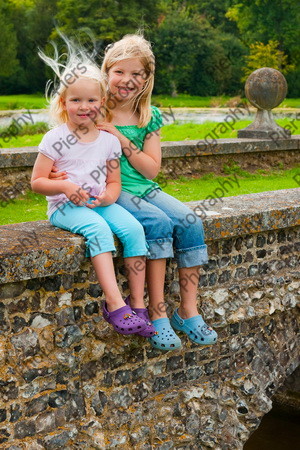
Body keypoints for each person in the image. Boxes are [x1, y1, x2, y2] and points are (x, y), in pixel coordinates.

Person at [51, 33, 218, 351]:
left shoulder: (147, 117)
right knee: (157, 224)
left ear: (146, 79)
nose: (127, 80)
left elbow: (151, 169)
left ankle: (188, 310)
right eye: (119, 72)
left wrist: (120, 137)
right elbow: (65, 144)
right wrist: (58, 173)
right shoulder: (94, 108)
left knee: (190, 222)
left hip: (144, 186)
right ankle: (157, 312)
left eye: (136, 74)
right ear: (107, 72)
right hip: (112, 188)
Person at [31, 35, 156, 338]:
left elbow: (114, 182)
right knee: (99, 231)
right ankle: (114, 305)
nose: (83, 107)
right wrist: (65, 187)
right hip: (65, 208)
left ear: (101, 103)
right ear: (64, 103)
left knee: (134, 229)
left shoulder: (109, 140)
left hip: (99, 204)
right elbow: (37, 182)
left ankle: (138, 305)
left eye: (90, 101)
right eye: (75, 100)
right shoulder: (54, 138)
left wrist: (106, 199)